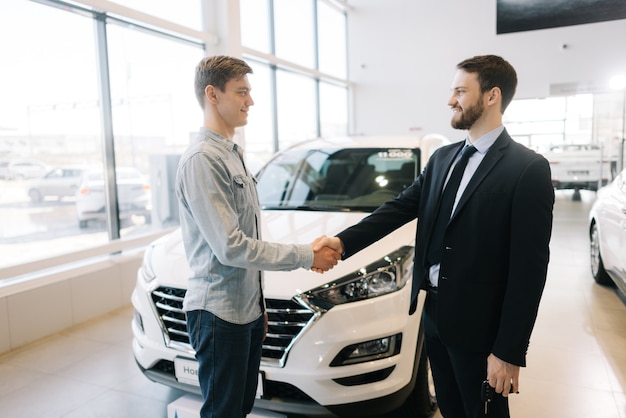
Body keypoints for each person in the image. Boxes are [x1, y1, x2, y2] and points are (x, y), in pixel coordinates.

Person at [315, 55, 554, 417]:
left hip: (482, 324)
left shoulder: (526, 168)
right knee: (450, 407)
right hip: (435, 315)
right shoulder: (443, 158)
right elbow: (398, 207)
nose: (450, 100)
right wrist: (343, 242)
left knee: (483, 412)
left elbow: (529, 271)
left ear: (492, 96)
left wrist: (508, 351)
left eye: (460, 91)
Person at [176, 55, 340, 418]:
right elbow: (231, 246)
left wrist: (257, 308)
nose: (250, 101)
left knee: (239, 408)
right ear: (212, 94)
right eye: (242, 92)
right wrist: (306, 255)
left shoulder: (232, 155)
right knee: (224, 412)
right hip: (219, 315)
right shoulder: (204, 160)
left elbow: (246, 237)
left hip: (243, 312)